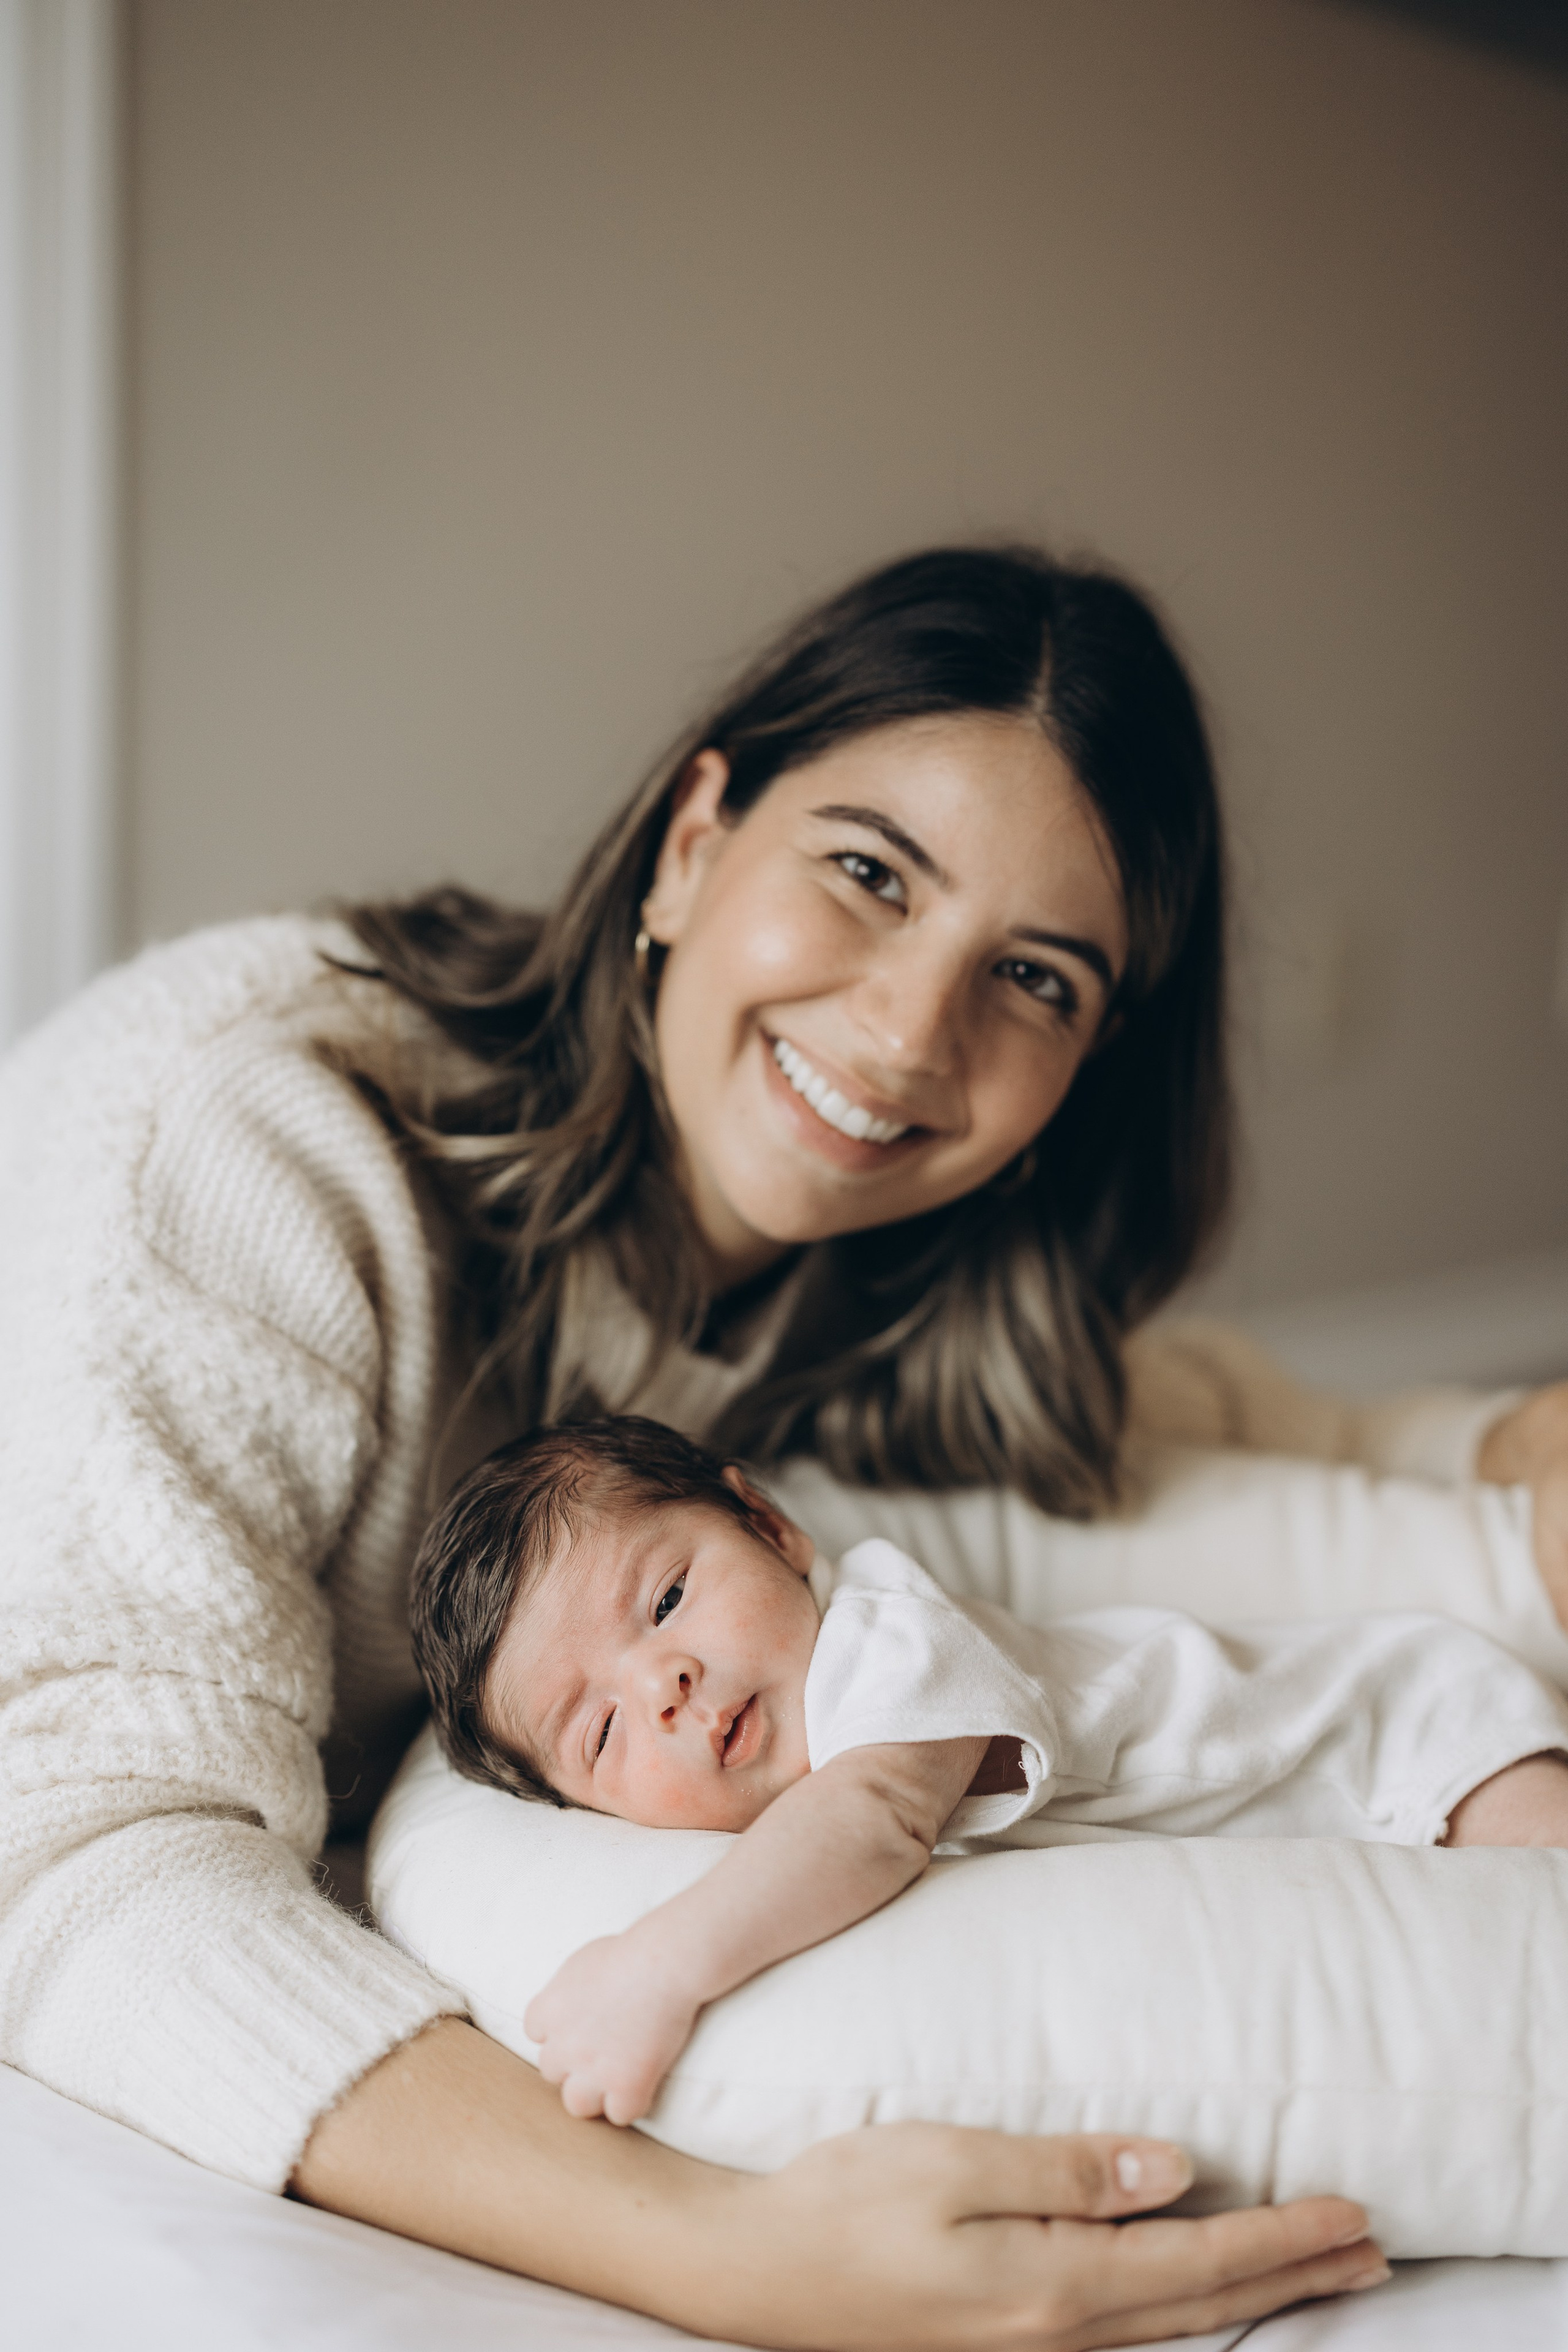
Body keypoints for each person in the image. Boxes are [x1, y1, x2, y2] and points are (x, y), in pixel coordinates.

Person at [6, 541, 1566, 2346]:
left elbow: (1165, 1419)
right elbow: (77, 1857)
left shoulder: (870, 1268)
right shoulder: (251, 1151)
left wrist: (1491, 1443)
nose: (909, 1035)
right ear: (692, 844)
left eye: (1038, 979)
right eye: (867, 873)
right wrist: (714, 2252)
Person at [409, 1413, 1568, 2128]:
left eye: (666, 1600)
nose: (662, 1681)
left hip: (1405, 1731)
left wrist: (659, 1966)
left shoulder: (887, 1640)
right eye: (601, 1733)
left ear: (770, 1529)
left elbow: (869, 1823)